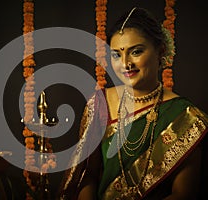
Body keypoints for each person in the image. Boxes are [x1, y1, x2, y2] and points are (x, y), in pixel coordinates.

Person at [58, 7, 208, 200]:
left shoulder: (187, 118)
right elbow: (87, 177)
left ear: (160, 50)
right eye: (116, 55)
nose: (125, 63)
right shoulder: (100, 104)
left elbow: (184, 193)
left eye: (136, 52)